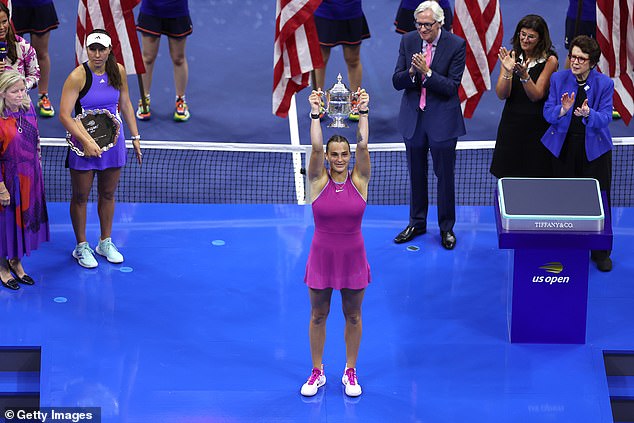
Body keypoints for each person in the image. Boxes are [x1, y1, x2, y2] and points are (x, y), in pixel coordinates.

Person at [300, 88, 370, 398]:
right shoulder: (317, 180)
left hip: (353, 258)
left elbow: (363, 143)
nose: (340, 159)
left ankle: (350, 370)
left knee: (353, 315)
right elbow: (315, 145)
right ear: (327, 158)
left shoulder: (360, 181)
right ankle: (317, 371)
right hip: (322, 258)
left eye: (345, 155)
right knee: (318, 315)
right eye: (335, 155)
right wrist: (316, 113)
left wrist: (364, 112)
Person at [59, 29, 142, 269]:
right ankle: (81, 246)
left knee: (107, 194)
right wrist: (86, 141)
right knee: (81, 196)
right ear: (87, 49)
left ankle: (105, 242)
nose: (96, 54)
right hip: (83, 145)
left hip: (113, 143)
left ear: (109, 50)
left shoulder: (119, 72)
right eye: (92, 49)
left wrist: (135, 136)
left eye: (101, 49)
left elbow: (125, 103)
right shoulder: (77, 76)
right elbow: (65, 116)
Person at [392, 1, 466, 249]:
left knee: (444, 176)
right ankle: (417, 222)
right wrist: (413, 73)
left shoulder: (456, 45)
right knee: (416, 174)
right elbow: (397, 81)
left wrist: (428, 73)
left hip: (442, 121)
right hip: (414, 120)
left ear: (439, 23)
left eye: (427, 25)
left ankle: (446, 228)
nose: (422, 29)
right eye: (419, 24)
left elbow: (451, 87)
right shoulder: (408, 41)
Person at [541, 35, 614, 272]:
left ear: (592, 62)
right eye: (572, 56)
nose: (575, 62)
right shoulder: (558, 79)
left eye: (581, 59)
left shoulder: (604, 84)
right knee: (562, 200)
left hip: (594, 151)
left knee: (599, 201)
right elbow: (547, 113)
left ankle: (601, 252)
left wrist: (588, 114)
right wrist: (562, 110)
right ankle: (565, 245)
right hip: (563, 148)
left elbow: (604, 119)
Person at [490, 15, 558, 178]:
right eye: (523, 34)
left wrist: (524, 75)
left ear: (540, 39)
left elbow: (536, 95)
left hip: (536, 129)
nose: (525, 39)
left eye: (531, 36)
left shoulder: (550, 61)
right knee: (506, 177)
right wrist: (507, 71)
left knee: (535, 178)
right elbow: (502, 94)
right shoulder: (512, 56)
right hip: (510, 127)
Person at [0, 70, 49, 290]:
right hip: (7, 181)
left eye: (22, 90)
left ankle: (16, 262)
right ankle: (2, 267)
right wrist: (1, 188)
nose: (21, 95)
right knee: (5, 226)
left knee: (21, 225)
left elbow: (36, 142)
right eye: (15, 91)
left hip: (29, 178)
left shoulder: (29, 110)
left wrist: (37, 174)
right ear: (2, 93)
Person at [135, 0, 192, 122]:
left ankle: (180, 99)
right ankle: (144, 99)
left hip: (177, 10)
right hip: (151, 10)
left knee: (179, 58)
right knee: (148, 58)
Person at [313, 0, 370, 121]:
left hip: (351, 11)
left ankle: (355, 100)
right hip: (324, 11)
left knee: (353, 59)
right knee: (320, 59)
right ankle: (317, 100)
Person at [10, 0, 59, 118]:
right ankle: (13, 96)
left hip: (40, 4)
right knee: (12, 52)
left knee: (40, 53)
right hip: (14, 4)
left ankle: (43, 96)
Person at [0, 3, 39, 93]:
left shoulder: (23, 46)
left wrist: (20, 87)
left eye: (4, 21)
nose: (1, 27)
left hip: (18, 103)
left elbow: (34, 76)